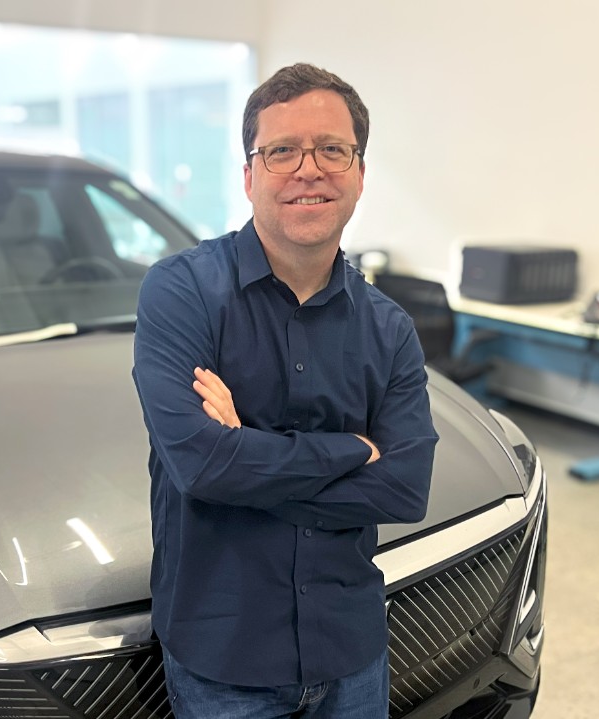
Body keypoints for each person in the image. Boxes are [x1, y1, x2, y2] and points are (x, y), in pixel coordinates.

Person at [132, 62, 439, 719]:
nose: (309, 168)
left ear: (360, 172)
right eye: (282, 150)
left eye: (332, 148)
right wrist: (352, 450)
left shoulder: (388, 328)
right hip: (225, 657)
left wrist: (251, 448)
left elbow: (405, 486)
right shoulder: (181, 292)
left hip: (351, 649)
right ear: (249, 175)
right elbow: (203, 461)